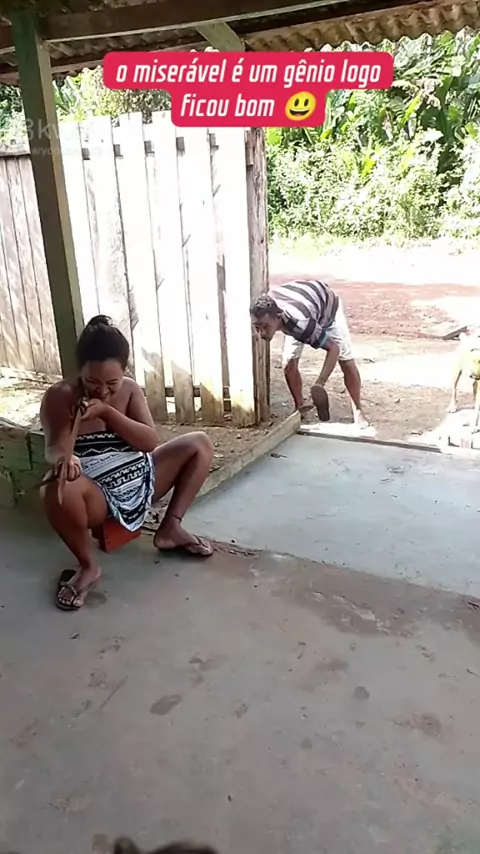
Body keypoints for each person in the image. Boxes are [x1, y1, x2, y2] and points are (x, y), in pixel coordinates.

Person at [40, 315, 214, 611]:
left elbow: (148, 442)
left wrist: (108, 413)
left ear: (124, 371)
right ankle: (88, 566)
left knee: (200, 443)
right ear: (80, 370)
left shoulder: (130, 390)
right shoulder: (59, 396)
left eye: (112, 383)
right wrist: (65, 459)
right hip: (97, 495)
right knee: (55, 488)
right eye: (92, 382)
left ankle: (170, 528)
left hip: (143, 480)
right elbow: (54, 447)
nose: (102, 391)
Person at [250, 279, 369, 428]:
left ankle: (358, 410)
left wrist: (319, 384)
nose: (261, 333)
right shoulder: (263, 310)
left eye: (266, 327)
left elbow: (334, 349)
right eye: (257, 327)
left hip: (328, 310)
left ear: (278, 317)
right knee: (288, 364)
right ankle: (300, 407)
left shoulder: (302, 324)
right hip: (301, 306)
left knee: (346, 362)